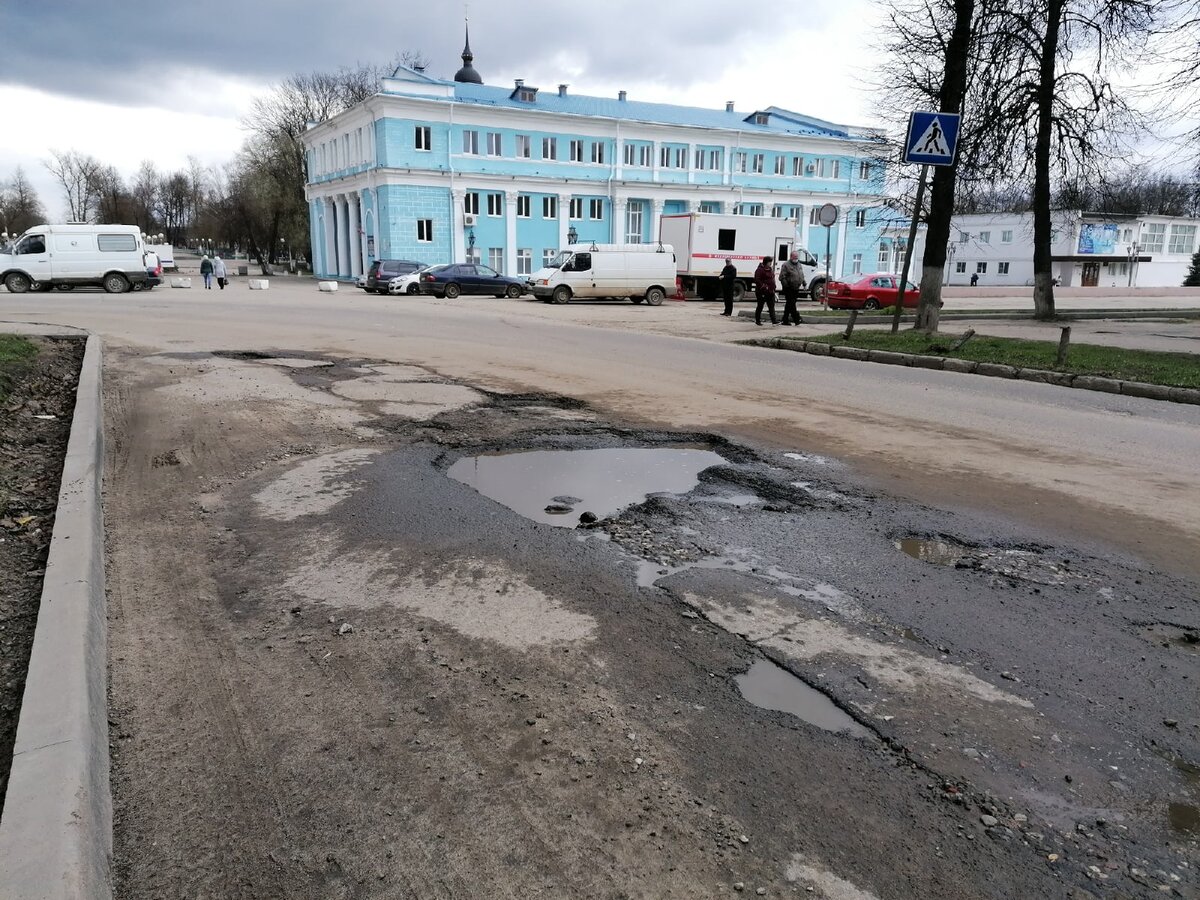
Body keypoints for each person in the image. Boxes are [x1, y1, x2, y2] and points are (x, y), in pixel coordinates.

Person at [779, 251, 806, 325]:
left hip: (796, 288)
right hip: (789, 288)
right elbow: (782, 277)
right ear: (791, 257)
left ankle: (785, 320)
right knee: (792, 304)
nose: (796, 259)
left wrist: (804, 283)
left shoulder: (799, 264)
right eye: (795, 257)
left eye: (797, 258)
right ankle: (797, 319)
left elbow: (801, 275)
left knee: (789, 304)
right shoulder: (786, 265)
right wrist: (786, 286)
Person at [753, 256, 777, 326]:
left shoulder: (770, 269)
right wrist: (764, 286)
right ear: (766, 262)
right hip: (762, 292)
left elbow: (772, 278)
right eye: (770, 262)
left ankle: (774, 321)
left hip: (770, 291)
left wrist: (774, 286)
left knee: (771, 306)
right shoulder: (759, 270)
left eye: (771, 262)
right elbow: (757, 280)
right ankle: (757, 320)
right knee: (760, 306)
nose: (771, 264)